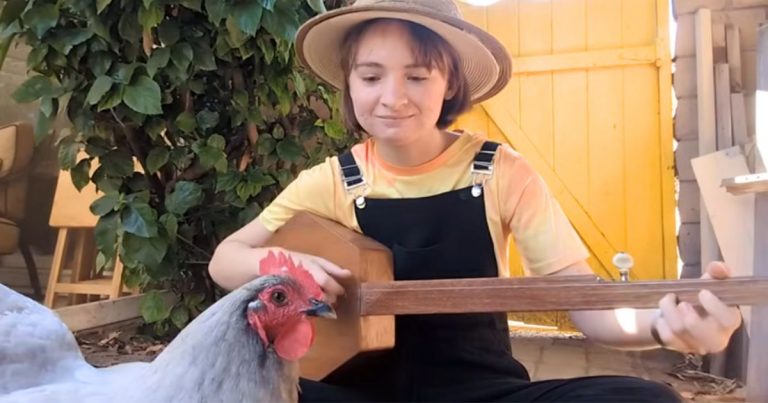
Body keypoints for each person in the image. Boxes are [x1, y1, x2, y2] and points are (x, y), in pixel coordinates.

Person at [209, 0, 743, 401]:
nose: (392, 97)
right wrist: (287, 266)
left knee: (644, 398)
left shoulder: (501, 172)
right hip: (360, 394)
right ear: (349, 84)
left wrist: (661, 325)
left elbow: (585, 303)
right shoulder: (333, 179)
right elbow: (225, 259)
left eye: (417, 76)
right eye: (371, 76)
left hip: (485, 393)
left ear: (449, 84)